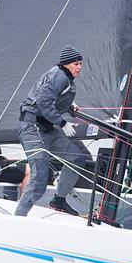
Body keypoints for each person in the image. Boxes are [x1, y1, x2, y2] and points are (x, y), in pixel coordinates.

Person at [15, 45, 86, 216]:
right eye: (76, 64)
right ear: (67, 64)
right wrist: (63, 123)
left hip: (46, 127)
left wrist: (68, 105)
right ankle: (18, 218)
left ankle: (59, 200)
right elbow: (43, 103)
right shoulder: (59, 76)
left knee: (76, 160)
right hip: (33, 128)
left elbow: (52, 98)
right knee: (39, 179)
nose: (79, 67)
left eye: (81, 64)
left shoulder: (63, 77)